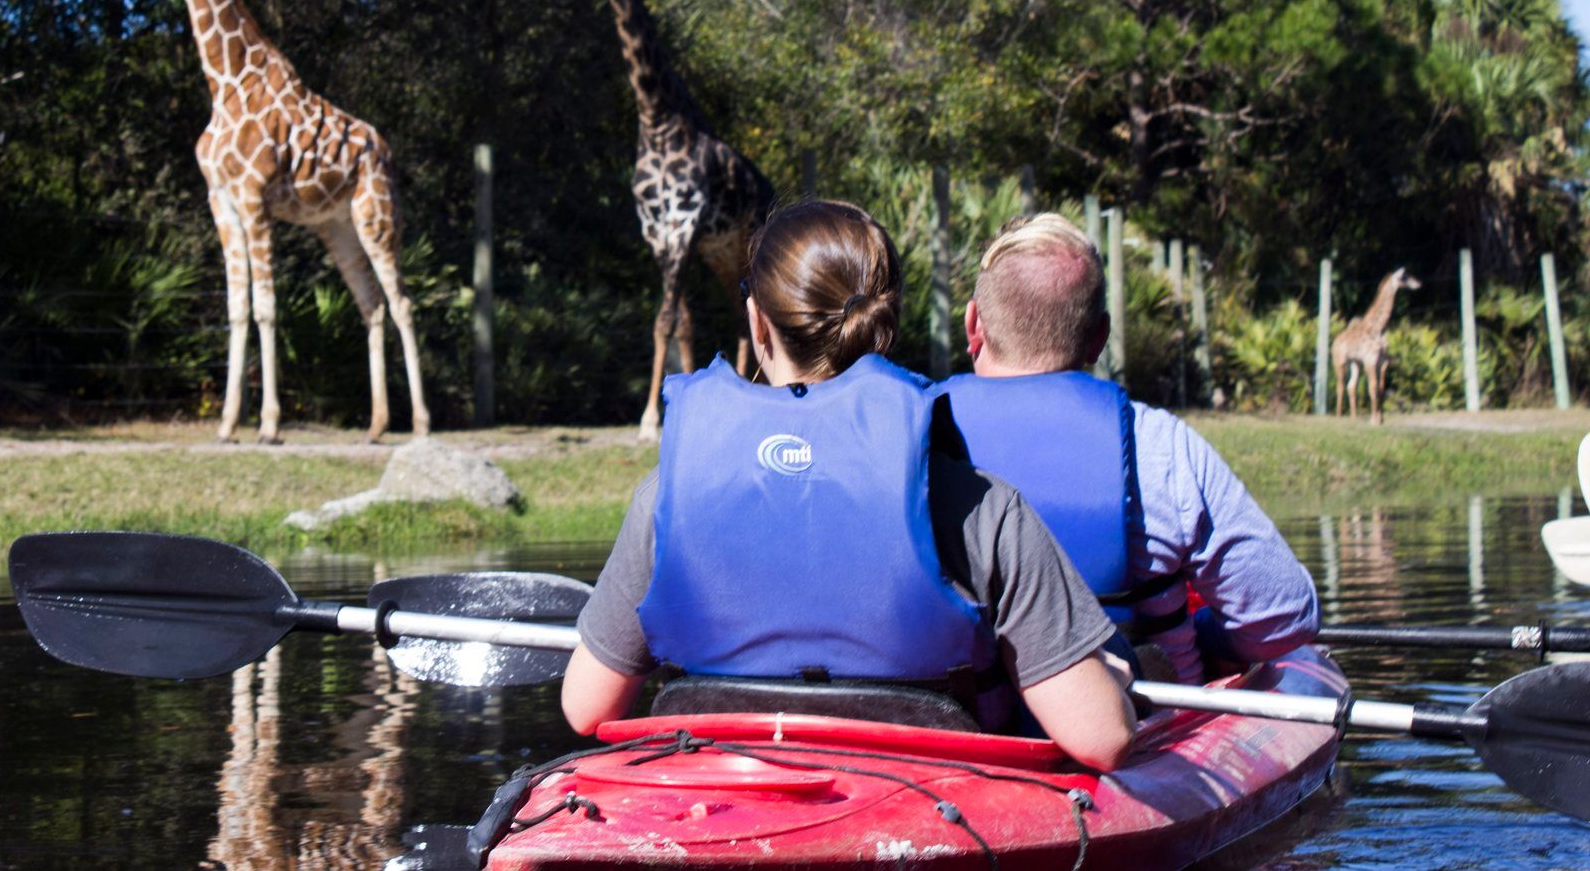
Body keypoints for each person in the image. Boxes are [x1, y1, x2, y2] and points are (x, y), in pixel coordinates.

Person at [562, 201, 1137, 770]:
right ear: (887, 321)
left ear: (757, 321)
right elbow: (1102, 737)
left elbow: (586, 707)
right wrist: (1114, 677)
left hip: (727, 798)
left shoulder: (666, 500)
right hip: (934, 811)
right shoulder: (983, 509)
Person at [943, 212, 1320, 684]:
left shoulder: (914, 440)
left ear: (973, 324)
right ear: (1100, 337)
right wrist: (1207, 635)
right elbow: (1285, 618)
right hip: (1141, 720)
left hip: (963, 724)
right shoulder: (1162, 448)